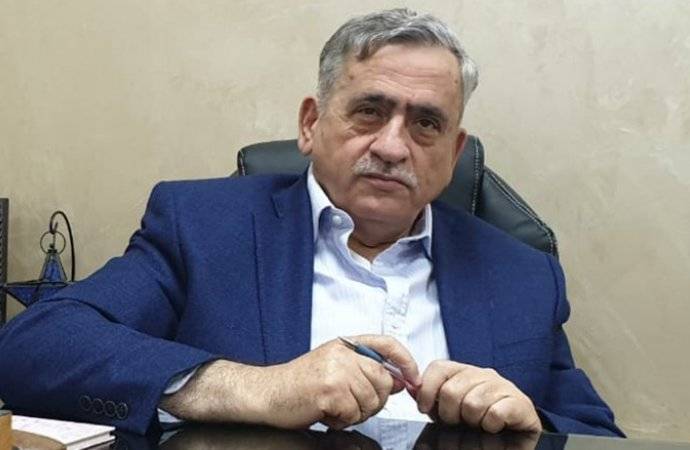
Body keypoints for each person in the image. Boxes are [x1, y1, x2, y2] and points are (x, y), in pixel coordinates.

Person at [0, 8, 623, 437]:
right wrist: (255, 389)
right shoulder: (203, 228)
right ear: (310, 124)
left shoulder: (524, 275)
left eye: (426, 124)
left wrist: (533, 428)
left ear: (454, 152)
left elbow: (596, 434)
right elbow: (34, 348)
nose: (393, 146)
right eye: (369, 111)